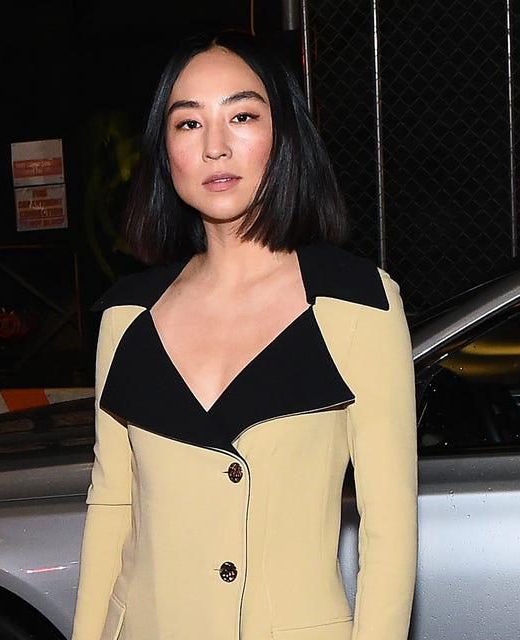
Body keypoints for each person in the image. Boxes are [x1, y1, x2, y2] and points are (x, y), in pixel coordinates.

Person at [71, 29, 417, 640]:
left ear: (282, 136)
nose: (216, 147)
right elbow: (111, 510)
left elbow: (388, 534)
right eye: (188, 124)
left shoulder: (354, 302)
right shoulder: (126, 316)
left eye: (243, 115)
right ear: (165, 149)